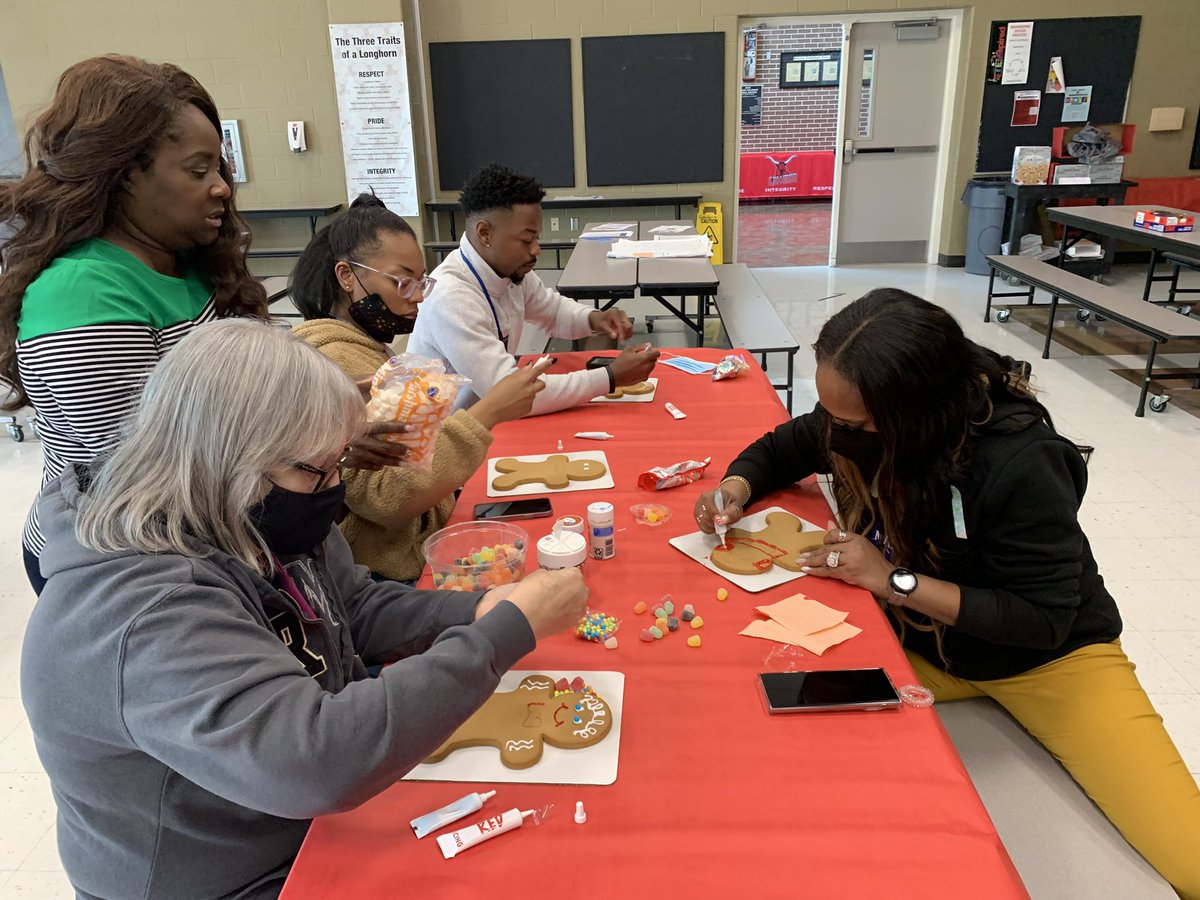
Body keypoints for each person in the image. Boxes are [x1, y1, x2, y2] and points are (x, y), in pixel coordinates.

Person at [20, 319, 589, 899]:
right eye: (316, 470)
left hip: (295, 823)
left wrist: (473, 610)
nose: (332, 488)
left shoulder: (248, 512)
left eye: (338, 463)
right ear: (231, 460)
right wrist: (497, 638)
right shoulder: (143, 607)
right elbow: (314, 761)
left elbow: (351, 606)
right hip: (229, 880)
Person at [693, 289, 1199, 897]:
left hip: (1048, 664)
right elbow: (782, 448)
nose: (837, 435)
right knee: (768, 703)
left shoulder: (1021, 461)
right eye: (832, 417)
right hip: (922, 648)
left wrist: (892, 580)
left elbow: (1041, 619)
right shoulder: (862, 418)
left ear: (915, 414)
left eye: (855, 425)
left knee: (1190, 857)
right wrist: (734, 489)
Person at [0, 55, 269, 595]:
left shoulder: (184, 260)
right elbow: (137, 470)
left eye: (220, 169)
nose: (221, 187)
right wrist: (298, 440)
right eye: (198, 171)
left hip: (199, 535)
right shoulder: (85, 293)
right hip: (122, 562)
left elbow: (223, 401)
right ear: (125, 176)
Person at [291, 193, 552, 582]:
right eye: (401, 282)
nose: (416, 297)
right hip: (390, 574)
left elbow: (407, 456)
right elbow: (388, 496)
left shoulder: (364, 348)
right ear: (346, 276)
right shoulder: (337, 359)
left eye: (421, 282)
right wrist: (488, 412)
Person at [407, 162, 660, 414]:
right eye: (526, 239)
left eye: (537, 238)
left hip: (485, 421)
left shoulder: (509, 269)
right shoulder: (450, 297)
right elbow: (511, 394)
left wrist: (595, 319)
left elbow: (552, 311)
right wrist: (611, 377)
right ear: (484, 233)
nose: (536, 250)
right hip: (443, 433)